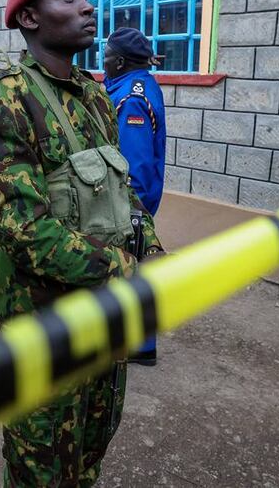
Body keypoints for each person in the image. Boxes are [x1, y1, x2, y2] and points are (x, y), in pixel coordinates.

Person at [0, 0, 163, 487]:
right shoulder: (2, 99)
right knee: (43, 457)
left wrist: (153, 248)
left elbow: (124, 192)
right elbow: (24, 231)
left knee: (96, 437)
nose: (87, 7)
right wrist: (125, 269)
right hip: (42, 317)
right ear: (30, 18)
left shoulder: (97, 95)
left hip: (102, 306)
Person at [102, 27, 166, 367]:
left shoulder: (131, 99)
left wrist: (133, 214)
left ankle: (138, 344)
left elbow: (135, 166)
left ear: (121, 61)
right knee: (135, 270)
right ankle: (143, 342)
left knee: (126, 268)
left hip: (129, 203)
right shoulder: (136, 85)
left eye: (107, 56)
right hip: (134, 202)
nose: (103, 61)